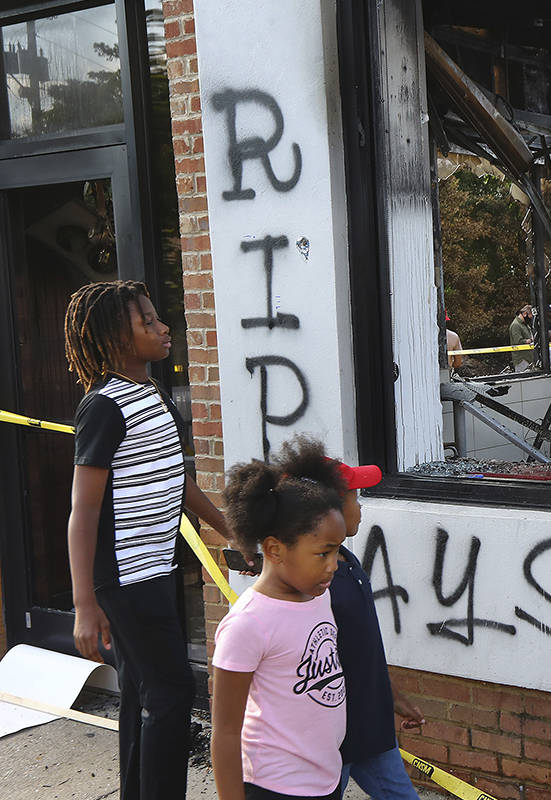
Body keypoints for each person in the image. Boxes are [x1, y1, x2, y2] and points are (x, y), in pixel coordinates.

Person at [64, 279, 237, 800]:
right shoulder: (103, 407)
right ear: (118, 336)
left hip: (157, 569)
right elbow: (83, 510)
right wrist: (83, 605)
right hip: (122, 579)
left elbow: (178, 482)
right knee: (171, 693)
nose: (164, 329)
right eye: (149, 322)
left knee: (143, 690)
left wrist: (233, 530)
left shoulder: (152, 395)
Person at [273, 436, 426, 800]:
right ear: (330, 512)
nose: (362, 508)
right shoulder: (314, 586)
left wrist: (393, 698)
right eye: (357, 498)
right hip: (331, 742)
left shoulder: (347, 562)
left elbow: (361, 650)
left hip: (371, 730)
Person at [211, 460, 348, 800]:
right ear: (274, 549)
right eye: (323, 554)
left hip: (324, 779)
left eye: (337, 552)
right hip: (273, 787)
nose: (333, 565)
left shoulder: (320, 597)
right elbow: (225, 732)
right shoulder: (248, 624)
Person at [508, 303, 535, 371]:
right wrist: (529, 340)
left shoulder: (525, 324)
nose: (530, 319)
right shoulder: (515, 325)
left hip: (529, 359)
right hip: (521, 361)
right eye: (530, 316)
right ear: (525, 314)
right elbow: (518, 341)